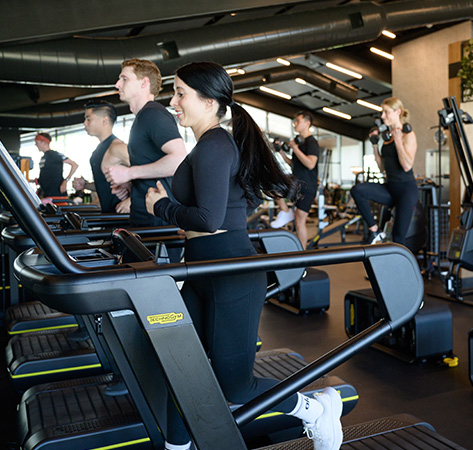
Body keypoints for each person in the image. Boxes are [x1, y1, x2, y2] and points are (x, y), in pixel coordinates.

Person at [144, 61, 343, 450]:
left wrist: (161, 207)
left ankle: (316, 409)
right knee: (180, 370)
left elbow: (209, 218)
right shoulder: (209, 145)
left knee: (236, 386)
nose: (174, 101)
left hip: (229, 273)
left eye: (181, 93)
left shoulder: (217, 144)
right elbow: (226, 209)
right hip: (204, 268)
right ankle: (177, 447)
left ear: (208, 101)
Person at [105, 58, 186, 226]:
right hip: (146, 214)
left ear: (144, 83)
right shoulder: (142, 118)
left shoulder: (154, 114)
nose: (117, 84)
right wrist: (131, 184)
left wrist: (129, 173)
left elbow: (178, 160)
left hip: (159, 220)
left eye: (124, 79)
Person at [350, 97, 418, 249]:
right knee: (358, 190)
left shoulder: (408, 135)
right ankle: (374, 231)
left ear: (397, 112)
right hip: (390, 188)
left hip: (406, 191)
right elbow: (382, 168)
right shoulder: (387, 138)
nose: (382, 116)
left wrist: (398, 141)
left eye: (386, 112)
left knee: (398, 237)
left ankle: (400, 272)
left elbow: (407, 166)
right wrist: (375, 146)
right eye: (382, 112)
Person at [269, 111, 320, 247]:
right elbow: (293, 163)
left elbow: (310, 164)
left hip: (307, 186)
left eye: (298, 121)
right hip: (297, 183)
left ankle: (301, 255)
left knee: (299, 221)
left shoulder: (311, 142)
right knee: (274, 183)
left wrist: (295, 148)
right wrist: (280, 151)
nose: (295, 124)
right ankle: (285, 212)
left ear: (307, 123)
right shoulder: (299, 142)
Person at [74, 101, 131, 213]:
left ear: (104, 120)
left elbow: (150, 176)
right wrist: (85, 185)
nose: (85, 123)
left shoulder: (118, 147)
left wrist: (131, 200)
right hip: (109, 216)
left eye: (88, 119)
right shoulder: (98, 151)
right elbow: (105, 186)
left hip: (125, 219)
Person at [34, 132, 78, 199]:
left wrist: (65, 181)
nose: (36, 145)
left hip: (57, 193)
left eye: (37, 142)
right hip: (46, 193)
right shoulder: (43, 157)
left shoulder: (55, 155)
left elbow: (74, 165)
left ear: (44, 142)